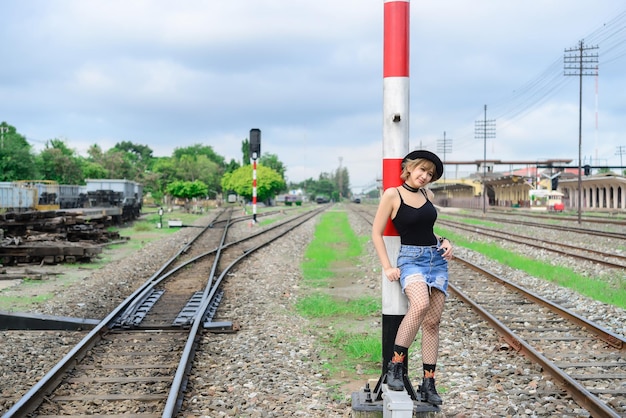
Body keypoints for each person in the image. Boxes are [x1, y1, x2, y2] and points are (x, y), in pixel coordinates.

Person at [371, 150, 452, 406]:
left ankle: (429, 383)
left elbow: (426, 230)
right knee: (419, 305)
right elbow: (375, 233)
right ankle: (395, 366)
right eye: (422, 170)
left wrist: (444, 240)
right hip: (411, 260)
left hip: (436, 260)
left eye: (430, 174)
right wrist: (387, 267)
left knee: (433, 323)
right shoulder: (392, 194)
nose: (425, 176)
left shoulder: (428, 195)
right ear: (410, 167)